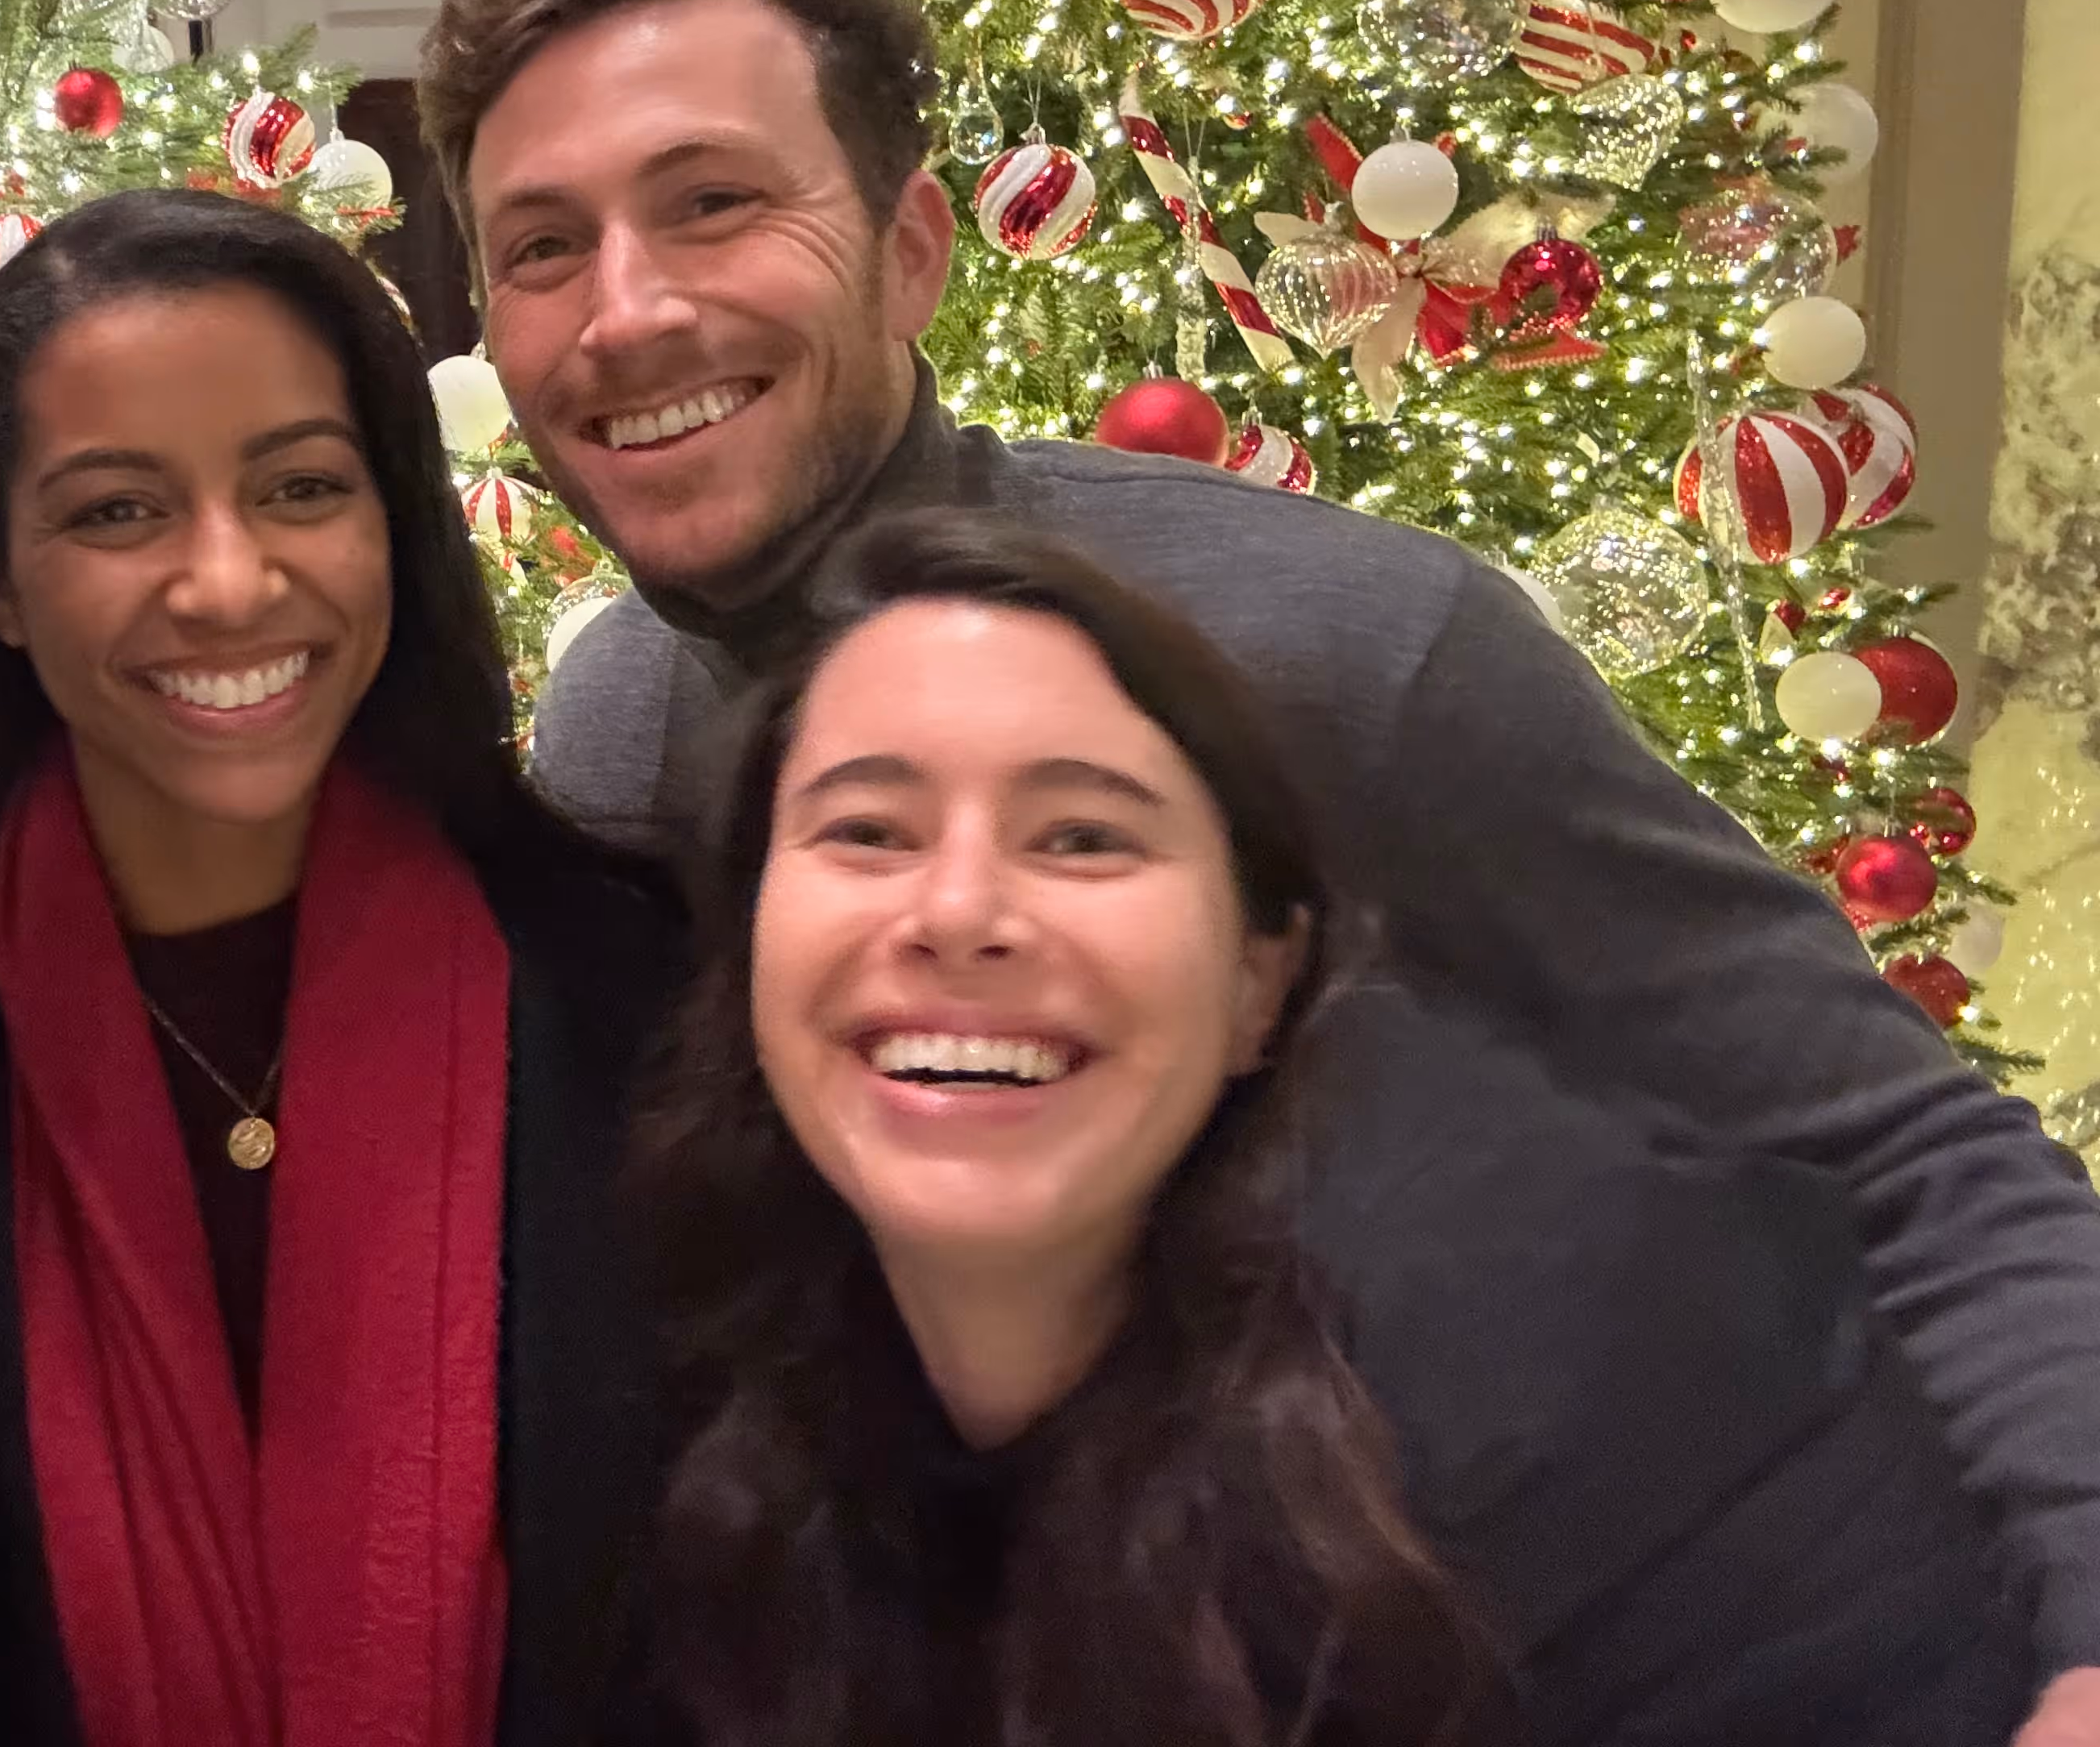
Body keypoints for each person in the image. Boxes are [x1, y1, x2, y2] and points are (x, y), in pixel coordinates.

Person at [414, 0, 2100, 1731]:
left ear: (909, 250)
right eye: (543, 248)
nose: (628, 313)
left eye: (715, 203)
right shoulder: (614, 725)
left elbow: (1906, 1162)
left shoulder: (1345, 657)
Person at [623, 509, 2028, 1745]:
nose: (959, 913)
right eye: (868, 831)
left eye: (1084, 837)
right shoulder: (717, 1403)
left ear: (1262, 980)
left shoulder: (1589, 1425)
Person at [0, 187, 684, 1747]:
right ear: (1, 582)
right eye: (116, 510)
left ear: (391, 522)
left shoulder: (635, 1004)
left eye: (300, 487)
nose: (228, 583)